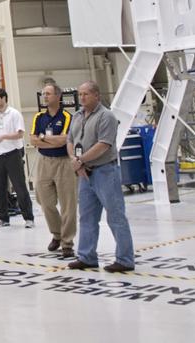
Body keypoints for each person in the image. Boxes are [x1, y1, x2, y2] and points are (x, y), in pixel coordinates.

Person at [67, 81, 135, 273]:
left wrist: (81, 160)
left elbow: (103, 145)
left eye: (86, 94)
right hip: (84, 174)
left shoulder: (106, 116)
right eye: (80, 94)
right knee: (87, 217)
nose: (82, 97)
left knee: (115, 215)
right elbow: (70, 140)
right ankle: (86, 256)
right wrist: (75, 161)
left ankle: (125, 259)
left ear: (96, 95)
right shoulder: (77, 116)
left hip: (105, 172)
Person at [29, 83, 77, 257]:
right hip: (44, 162)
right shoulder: (39, 117)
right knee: (45, 201)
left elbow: (63, 140)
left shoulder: (67, 117)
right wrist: (48, 140)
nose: (45, 97)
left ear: (58, 96)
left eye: (48, 94)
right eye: (44, 94)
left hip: (64, 162)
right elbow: (33, 140)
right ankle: (57, 233)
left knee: (68, 204)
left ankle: (67, 242)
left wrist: (43, 138)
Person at [0, 88, 34, 229]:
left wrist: (4, 136)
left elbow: (20, 134)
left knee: (19, 186)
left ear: (4, 98)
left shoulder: (14, 114)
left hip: (12, 153)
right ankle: (3, 218)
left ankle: (28, 218)